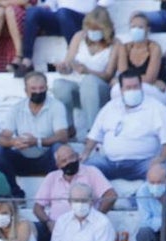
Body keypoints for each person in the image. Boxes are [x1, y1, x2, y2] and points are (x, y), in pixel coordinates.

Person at [81, 72, 166, 181]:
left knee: (159, 172)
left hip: (143, 163)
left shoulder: (156, 107)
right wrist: (85, 154)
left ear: (141, 86)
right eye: (128, 88)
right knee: (85, 170)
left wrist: (161, 159)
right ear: (121, 90)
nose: (132, 90)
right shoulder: (110, 107)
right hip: (110, 162)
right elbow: (94, 135)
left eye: (135, 87)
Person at [51, 6, 119, 140]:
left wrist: (88, 71)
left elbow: (109, 75)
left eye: (97, 29)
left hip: (100, 91)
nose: (92, 32)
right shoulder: (78, 37)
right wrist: (63, 67)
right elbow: (69, 63)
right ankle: (68, 129)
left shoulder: (115, 44)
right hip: (80, 89)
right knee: (59, 85)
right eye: (90, 28)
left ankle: (92, 132)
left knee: (89, 81)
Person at [0, 71, 68, 195]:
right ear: (26, 90)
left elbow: (63, 136)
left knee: (59, 149)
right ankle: (14, 193)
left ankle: (54, 193)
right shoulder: (16, 108)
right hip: (21, 157)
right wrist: (14, 141)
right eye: (33, 88)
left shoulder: (56, 106)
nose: (38, 92)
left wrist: (37, 141)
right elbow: (2, 138)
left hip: (47, 158)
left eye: (41, 88)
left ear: (46, 88)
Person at [32, 143, 115, 241]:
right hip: (55, 226)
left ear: (77, 156)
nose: (69, 162)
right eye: (64, 161)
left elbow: (111, 195)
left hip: (86, 224)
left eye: (71, 157)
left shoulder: (91, 172)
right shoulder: (51, 177)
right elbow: (37, 208)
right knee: (29, 229)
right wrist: (48, 222)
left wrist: (96, 217)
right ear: (58, 165)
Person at [15, 0, 105, 77]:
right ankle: (27, 61)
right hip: (59, 17)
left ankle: (71, 59)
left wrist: (97, 11)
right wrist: (46, 7)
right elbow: (50, 4)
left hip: (84, 19)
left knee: (64, 13)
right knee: (33, 11)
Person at [116, 13, 166, 106]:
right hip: (137, 87)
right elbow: (124, 76)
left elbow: (150, 78)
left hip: (158, 89)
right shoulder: (124, 48)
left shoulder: (154, 48)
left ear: (148, 29)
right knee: (116, 90)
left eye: (140, 27)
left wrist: (136, 80)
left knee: (144, 89)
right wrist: (144, 79)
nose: (136, 30)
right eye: (133, 27)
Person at [49, 181, 115, 241]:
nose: (80, 204)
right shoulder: (62, 221)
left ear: (91, 201)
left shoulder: (102, 223)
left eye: (84, 201)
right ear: (69, 202)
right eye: (76, 201)